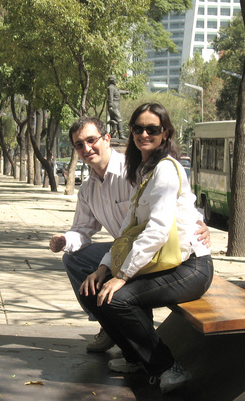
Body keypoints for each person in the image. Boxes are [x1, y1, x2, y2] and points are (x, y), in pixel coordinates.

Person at [79, 102, 214, 394]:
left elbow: (157, 230)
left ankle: (168, 367)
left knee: (117, 298)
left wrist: (123, 275)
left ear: (165, 134)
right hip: (166, 263)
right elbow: (128, 231)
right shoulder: (144, 171)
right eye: (138, 128)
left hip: (191, 267)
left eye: (152, 129)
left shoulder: (165, 169)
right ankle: (137, 359)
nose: (144, 134)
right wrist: (104, 268)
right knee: (93, 292)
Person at [49, 117, 210, 352]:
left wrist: (199, 224)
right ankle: (109, 325)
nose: (86, 148)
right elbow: (83, 231)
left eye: (91, 140)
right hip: (125, 251)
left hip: (158, 250)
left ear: (107, 139)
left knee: (122, 289)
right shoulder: (87, 190)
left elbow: (174, 204)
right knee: (75, 259)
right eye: (79, 144)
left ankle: (144, 345)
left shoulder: (136, 171)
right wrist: (66, 240)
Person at [107, 75, 129, 140]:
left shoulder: (114, 87)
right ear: (112, 80)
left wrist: (126, 92)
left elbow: (119, 91)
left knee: (115, 120)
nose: (116, 80)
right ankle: (121, 134)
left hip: (116, 106)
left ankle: (113, 134)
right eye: (115, 79)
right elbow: (110, 97)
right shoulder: (110, 88)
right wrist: (110, 106)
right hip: (114, 106)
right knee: (119, 119)